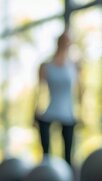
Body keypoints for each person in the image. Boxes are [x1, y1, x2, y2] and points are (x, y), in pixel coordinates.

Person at [35, 31, 81, 166]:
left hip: (68, 112)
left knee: (68, 154)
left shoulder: (74, 66)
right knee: (46, 153)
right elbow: (40, 90)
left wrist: (81, 112)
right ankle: (46, 178)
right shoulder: (46, 66)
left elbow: (79, 90)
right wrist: (36, 109)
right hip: (49, 110)